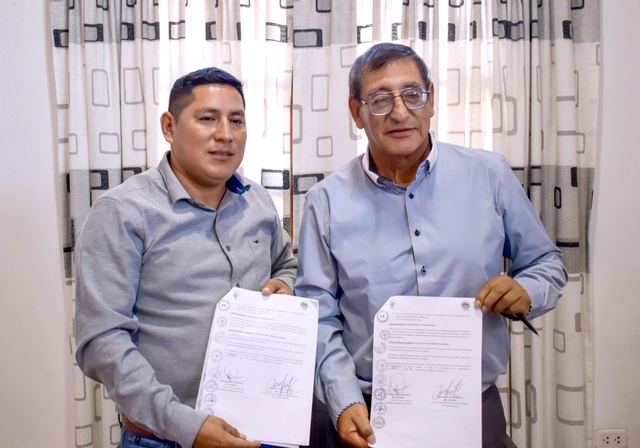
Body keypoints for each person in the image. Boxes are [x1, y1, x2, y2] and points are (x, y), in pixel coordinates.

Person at [295, 43, 567, 448]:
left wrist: (527, 289)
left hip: (473, 405)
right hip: (368, 412)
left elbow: (546, 263)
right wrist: (342, 398)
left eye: (412, 94)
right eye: (380, 100)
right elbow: (318, 314)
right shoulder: (326, 201)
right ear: (356, 112)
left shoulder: (489, 174)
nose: (400, 112)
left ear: (431, 99)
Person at [74, 67, 297, 448]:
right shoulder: (123, 212)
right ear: (169, 126)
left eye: (236, 120)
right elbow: (101, 341)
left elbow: (286, 264)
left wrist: (284, 284)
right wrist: (185, 426)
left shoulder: (257, 200)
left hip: (262, 431)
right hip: (164, 438)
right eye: (207, 118)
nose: (225, 134)